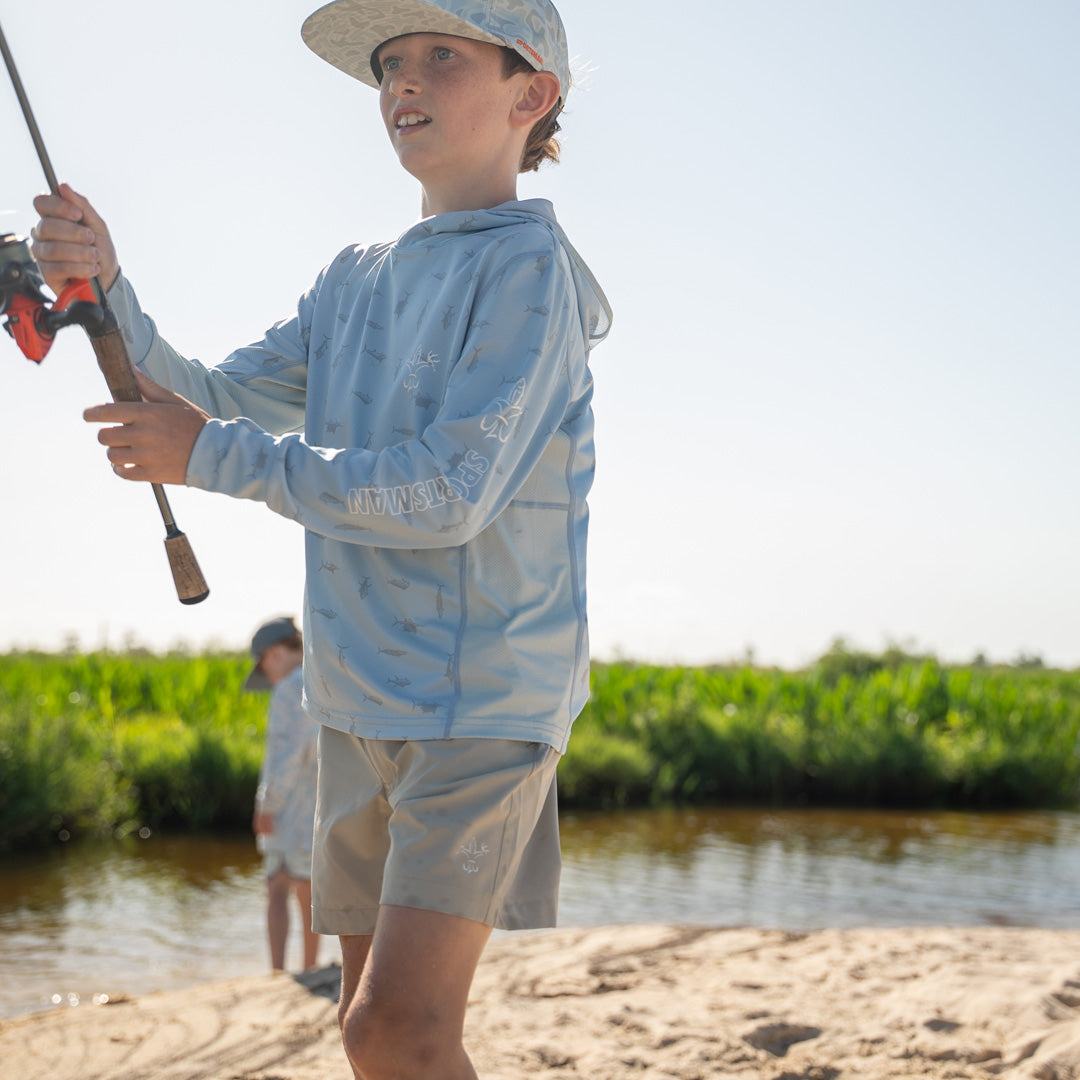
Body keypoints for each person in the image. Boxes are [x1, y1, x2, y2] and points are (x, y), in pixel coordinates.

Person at [30, 0, 611, 1075]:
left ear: (532, 95)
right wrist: (104, 282)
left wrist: (208, 456)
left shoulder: (532, 272)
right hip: (353, 698)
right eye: (391, 62)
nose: (405, 80)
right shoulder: (353, 274)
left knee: (398, 1029)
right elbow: (210, 397)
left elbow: (448, 493)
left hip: (482, 703)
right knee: (362, 1024)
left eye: (444, 54)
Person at [245, 615, 321, 973]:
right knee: (309, 888)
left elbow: (288, 755)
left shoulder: (290, 689)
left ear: (274, 654)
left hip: (291, 808)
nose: (267, 674)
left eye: (262, 665)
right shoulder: (322, 679)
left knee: (277, 885)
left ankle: (277, 972)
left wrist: (266, 805)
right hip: (321, 804)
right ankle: (310, 965)